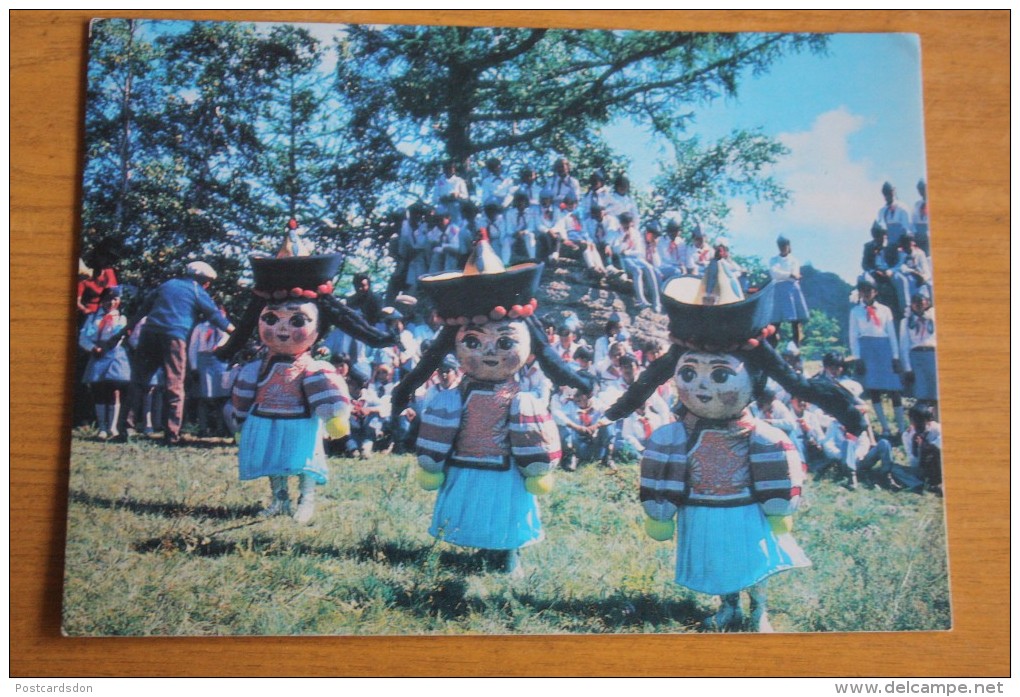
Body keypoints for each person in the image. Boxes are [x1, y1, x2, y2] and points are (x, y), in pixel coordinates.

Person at [602, 263, 865, 632]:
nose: (702, 386)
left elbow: (797, 386)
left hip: (744, 505)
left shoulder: (759, 436)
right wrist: (614, 413)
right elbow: (646, 383)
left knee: (750, 559)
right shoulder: (680, 430)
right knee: (717, 560)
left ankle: (758, 610)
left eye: (721, 375)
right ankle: (728, 608)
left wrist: (849, 416)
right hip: (703, 504)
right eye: (690, 374)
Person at [391, 234, 592, 574]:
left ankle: (508, 553)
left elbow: (548, 357)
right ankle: (481, 546)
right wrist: (404, 389)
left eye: (502, 342)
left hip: (508, 457)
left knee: (508, 502)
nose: (488, 351)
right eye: (474, 343)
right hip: (466, 453)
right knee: (474, 498)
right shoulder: (456, 354)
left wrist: (579, 382)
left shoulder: (522, 339)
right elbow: (431, 359)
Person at [217, 233, 395, 524]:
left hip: (299, 420)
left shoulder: (314, 369)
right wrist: (239, 417)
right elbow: (244, 390)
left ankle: (306, 498)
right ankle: (279, 498)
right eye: (272, 319)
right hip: (267, 415)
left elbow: (329, 392)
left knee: (304, 461)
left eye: (297, 321)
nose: (283, 329)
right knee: (273, 458)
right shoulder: (257, 367)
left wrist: (336, 416)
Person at [117, 261, 234, 445]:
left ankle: (125, 428)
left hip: (149, 334)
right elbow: (216, 316)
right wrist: (236, 333)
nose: (208, 286)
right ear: (203, 280)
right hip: (174, 337)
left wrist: (124, 331)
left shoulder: (167, 285)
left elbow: (142, 310)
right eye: (208, 282)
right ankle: (172, 435)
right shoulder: (197, 291)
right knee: (175, 384)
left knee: (138, 382)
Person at [849, 274, 907, 438]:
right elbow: (853, 336)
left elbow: (891, 334)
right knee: (874, 390)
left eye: (869, 290)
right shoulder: (855, 312)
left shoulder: (885, 310)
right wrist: (857, 358)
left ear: (875, 292)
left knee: (894, 390)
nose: (866, 293)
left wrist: (895, 357)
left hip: (884, 348)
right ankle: (885, 428)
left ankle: (902, 428)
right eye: (863, 290)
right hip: (867, 350)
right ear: (859, 292)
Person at [79, 287, 131, 440]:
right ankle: (102, 427)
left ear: (119, 301)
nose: (111, 302)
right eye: (108, 299)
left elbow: (119, 336)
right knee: (99, 390)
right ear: (102, 300)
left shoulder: (121, 318)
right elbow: (83, 337)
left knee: (114, 389)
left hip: (114, 353)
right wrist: (93, 348)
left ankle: (112, 427)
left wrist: (106, 348)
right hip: (97, 353)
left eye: (115, 299)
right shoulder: (93, 318)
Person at [187, 307, 231, 437]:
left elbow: (228, 341)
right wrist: (194, 366)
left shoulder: (226, 329)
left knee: (221, 397)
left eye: (222, 313)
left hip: (220, 362)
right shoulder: (201, 327)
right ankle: (203, 428)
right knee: (204, 397)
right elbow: (193, 347)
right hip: (204, 361)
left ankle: (221, 428)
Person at [614, 212, 662, 313]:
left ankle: (656, 302)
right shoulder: (617, 233)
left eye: (628, 224)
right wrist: (623, 242)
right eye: (625, 224)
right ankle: (641, 300)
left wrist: (627, 251)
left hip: (633, 257)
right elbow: (616, 250)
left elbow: (639, 251)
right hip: (623, 259)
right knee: (637, 271)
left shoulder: (635, 233)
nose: (627, 226)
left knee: (649, 268)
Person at [769, 235, 810, 347]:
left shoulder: (794, 260)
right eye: (780, 245)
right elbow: (774, 274)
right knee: (775, 321)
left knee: (795, 321)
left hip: (792, 290)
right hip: (778, 290)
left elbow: (795, 275)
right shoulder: (774, 260)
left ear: (788, 246)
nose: (782, 248)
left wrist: (785, 275)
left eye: (784, 245)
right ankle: (773, 345)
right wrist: (789, 274)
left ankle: (796, 345)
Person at [899, 292, 939, 406]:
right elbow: (904, 345)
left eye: (921, 301)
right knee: (922, 394)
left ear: (927, 303)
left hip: (933, 355)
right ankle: (924, 421)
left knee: (936, 393)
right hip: (916, 357)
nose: (919, 304)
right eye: (915, 302)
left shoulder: (934, 317)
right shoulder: (906, 322)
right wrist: (907, 368)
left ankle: (937, 421)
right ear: (911, 305)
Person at [875, 181, 913, 248]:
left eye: (889, 192)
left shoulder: (903, 208)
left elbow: (907, 228)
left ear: (893, 192)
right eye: (885, 193)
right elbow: (880, 227)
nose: (888, 195)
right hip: (888, 244)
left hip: (903, 243)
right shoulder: (882, 211)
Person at [911, 179, 930, 255]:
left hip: (928, 235)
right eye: (919, 190)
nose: (921, 191)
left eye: (922, 188)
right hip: (918, 236)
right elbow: (913, 221)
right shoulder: (917, 204)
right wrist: (915, 233)